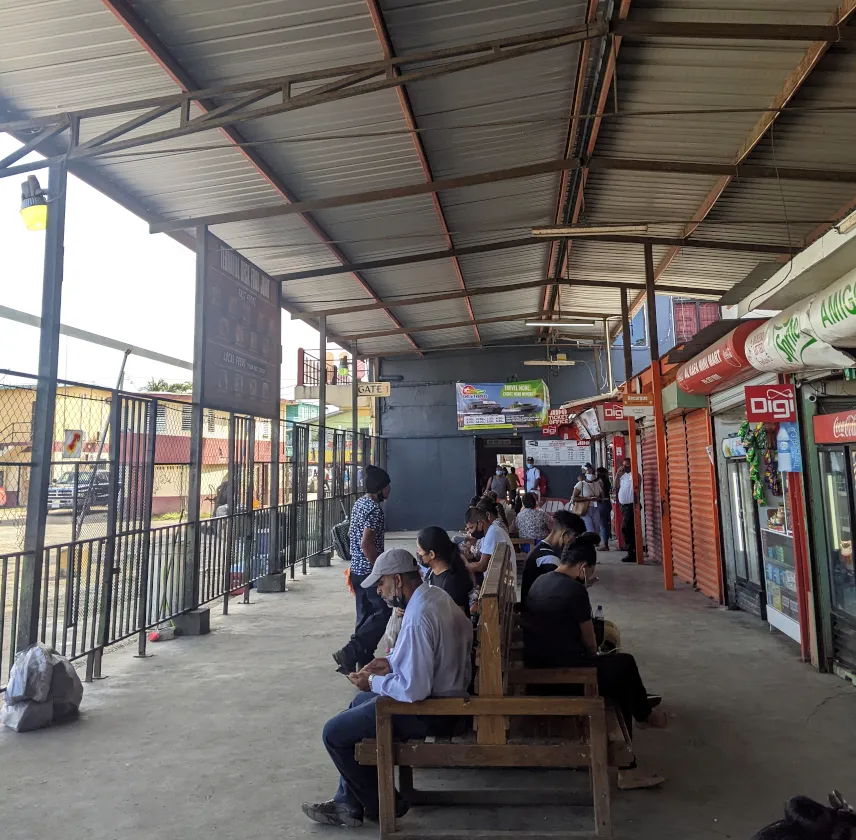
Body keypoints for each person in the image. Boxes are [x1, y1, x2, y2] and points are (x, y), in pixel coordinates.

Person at [303, 549, 474, 827]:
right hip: (447, 694)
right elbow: (425, 656)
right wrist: (390, 661)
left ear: (397, 580)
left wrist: (371, 681)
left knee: (333, 733)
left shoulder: (418, 617)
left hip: (434, 709)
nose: (380, 592)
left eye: (381, 584)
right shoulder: (435, 597)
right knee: (357, 706)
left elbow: (413, 690)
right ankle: (347, 802)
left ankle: (384, 805)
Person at [523, 534, 667, 790]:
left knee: (619, 674)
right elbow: (590, 642)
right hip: (564, 676)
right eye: (589, 571)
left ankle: (638, 732)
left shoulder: (541, 581)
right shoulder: (575, 591)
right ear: (583, 568)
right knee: (623, 667)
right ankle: (637, 738)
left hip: (540, 668)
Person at [333, 465, 392, 674]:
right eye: (387, 487)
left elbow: (351, 534)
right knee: (383, 612)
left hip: (356, 570)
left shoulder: (359, 504)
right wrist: (380, 567)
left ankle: (361, 662)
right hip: (370, 572)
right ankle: (350, 652)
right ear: (379, 489)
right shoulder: (375, 510)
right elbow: (367, 542)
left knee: (364, 615)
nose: (389, 491)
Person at [520, 509, 585, 606]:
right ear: (564, 534)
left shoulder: (541, 549)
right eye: (574, 538)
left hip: (533, 610)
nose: (573, 544)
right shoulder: (549, 559)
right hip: (537, 615)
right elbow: (562, 594)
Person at [416, 526, 473, 616]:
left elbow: (457, 622)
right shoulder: (432, 572)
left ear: (431, 554)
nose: (418, 554)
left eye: (419, 550)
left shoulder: (452, 583)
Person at [464, 499, 515, 575]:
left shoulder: (492, 532)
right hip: (500, 577)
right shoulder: (491, 531)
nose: (471, 532)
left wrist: (462, 567)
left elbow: (482, 566)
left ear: (480, 523)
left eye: (471, 528)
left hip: (497, 580)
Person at [569, 467, 604, 536]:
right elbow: (574, 498)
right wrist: (587, 498)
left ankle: (594, 544)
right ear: (585, 474)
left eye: (592, 473)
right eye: (589, 472)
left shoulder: (597, 484)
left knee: (597, 528)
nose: (591, 474)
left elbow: (602, 495)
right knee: (590, 529)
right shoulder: (580, 484)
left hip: (595, 508)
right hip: (585, 509)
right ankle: (589, 544)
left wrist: (599, 498)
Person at [616, 458, 637, 563]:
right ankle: (631, 551)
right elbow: (616, 487)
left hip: (631, 506)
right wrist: (617, 475)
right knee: (627, 529)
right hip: (623, 506)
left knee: (626, 529)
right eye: (624, 465)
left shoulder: (635, 476)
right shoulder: (623, 477)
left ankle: (632, 552)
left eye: (627, 465)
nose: (625, 467)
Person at [595, 466, 612, 551]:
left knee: (603, 524)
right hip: (607, 503)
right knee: (606, 524)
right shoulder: (607, 481)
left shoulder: (599, 482)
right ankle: (605, 542)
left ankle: (605, 544)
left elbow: (600, 493)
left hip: (602, 503)